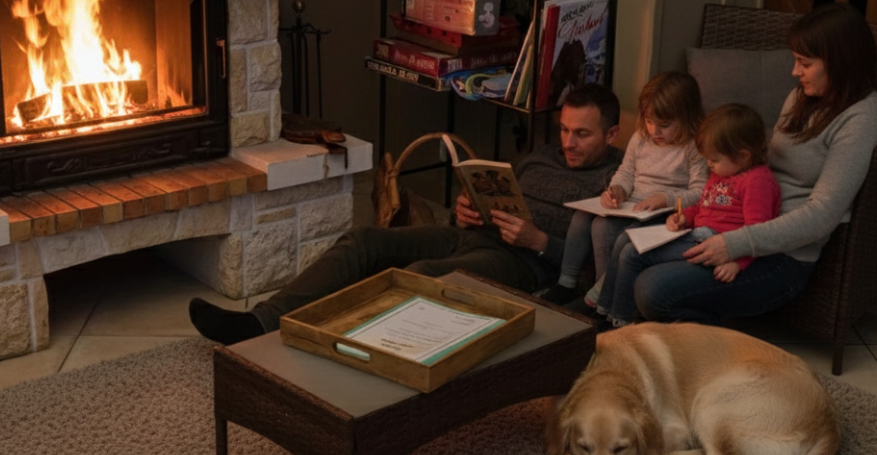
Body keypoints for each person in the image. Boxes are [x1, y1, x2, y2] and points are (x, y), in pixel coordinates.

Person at [189, 83, 624, 344]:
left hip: (525, 264)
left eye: (582, 134)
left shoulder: (618, 182)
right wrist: (469, 209)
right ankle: (258, 321)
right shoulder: (543, 157)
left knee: (422, 272)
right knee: (365, 241)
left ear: (612, 133)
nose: (568, 142)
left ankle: (338, 341)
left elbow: (599, 270)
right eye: (564, 130)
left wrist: (540, 243)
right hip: (477, 236)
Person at [633, 2, 877, 325]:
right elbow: (760, 163)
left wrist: (736, 243)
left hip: (784, 257)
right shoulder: (802, 98)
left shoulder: (864, 118)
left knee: (653, 290)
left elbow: (822, 215)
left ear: (840, 61)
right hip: (740, 224)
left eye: (804, 63)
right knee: (632, 250)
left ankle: (726, 348)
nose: (794, 72)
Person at [592, 102, 781, 329]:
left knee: (633, 255)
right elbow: (703, 207)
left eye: (714, 159)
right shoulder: (721, 174)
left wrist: (738, 263)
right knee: (626, 240)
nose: (709, 165)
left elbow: (757, 232)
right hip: (695, 233)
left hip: (715, 244)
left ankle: (620, 323)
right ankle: (603, 308)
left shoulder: (757, 181)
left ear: (743, 156)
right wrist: (684, 217)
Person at [541, 71, 708, 305]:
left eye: (664, 125)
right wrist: (617, 189)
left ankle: (603, 294)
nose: (654, 131)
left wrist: (664, 198)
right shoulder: (641, 138)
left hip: (664, 213)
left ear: (687, 118)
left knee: (602, 226)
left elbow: (701, 193)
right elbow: (627, 171)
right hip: (632, 203)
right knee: (581, 217)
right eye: (649, 121)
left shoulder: (694, 147)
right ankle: (566, 283)